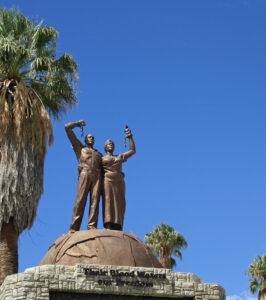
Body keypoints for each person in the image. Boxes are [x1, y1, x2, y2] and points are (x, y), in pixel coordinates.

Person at [65, 120, 102, 231]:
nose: (91, 138)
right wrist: (77, 124)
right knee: (80, 200)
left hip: (97, 175)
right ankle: (74, 227)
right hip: (85, 173)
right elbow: (67, 128)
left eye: (93, 137)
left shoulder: (99, 154)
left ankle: (92, 226)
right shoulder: (80, 148)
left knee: (95, 201)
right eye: (89, 137)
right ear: (85, 139)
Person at [102, 127, 136, 230]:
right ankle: (108, 224)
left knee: (120, 203)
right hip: (107, 181)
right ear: (105, 147)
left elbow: (132, 150)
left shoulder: (120, 157)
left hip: (119, 182)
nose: (110, 145)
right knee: (108, 202)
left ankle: (119, 225)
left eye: (112, 144)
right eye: (108, 144)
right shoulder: (101, 158)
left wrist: (130, 137)